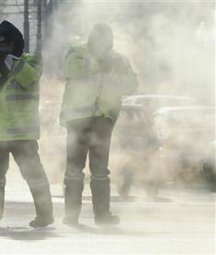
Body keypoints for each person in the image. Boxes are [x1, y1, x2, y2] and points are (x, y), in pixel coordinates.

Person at [0, 20, 54, 228]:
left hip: (22, 134)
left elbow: (29, 78)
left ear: (16, 44)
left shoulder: (31, 62)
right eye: (0, 45)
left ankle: (45, 215)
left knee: (34, 176)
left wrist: (8, 60)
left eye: (8, 45)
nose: (3, 48)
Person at [60, 23, 138, 225]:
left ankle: (102, 216)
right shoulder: (77, 52)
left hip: (103, 120)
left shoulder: (119, 59)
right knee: (74, 169)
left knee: (100, 171)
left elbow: (131, 86)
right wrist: (99, 63)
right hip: (78, 120)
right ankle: (71, 215)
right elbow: (73, 71)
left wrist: (121, 71)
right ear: (91, 38)